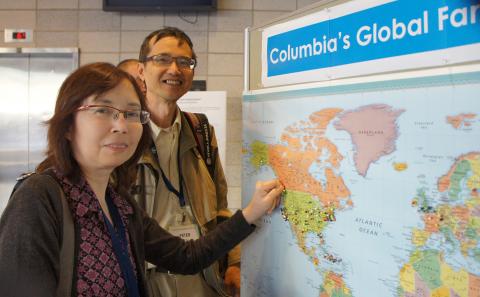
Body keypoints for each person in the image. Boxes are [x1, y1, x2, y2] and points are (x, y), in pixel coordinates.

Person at [0, 62, 284, 297]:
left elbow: (186, 257)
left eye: (132, 113)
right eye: (103, 110)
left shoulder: (118, 204)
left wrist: (250, 213)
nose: (122, 125)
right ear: (67, 126)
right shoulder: (39, 198)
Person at [134, 27, 240, 297]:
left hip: (201, 278)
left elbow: (221, 210)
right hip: (145, 281)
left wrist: (234, 263)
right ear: (141, 71)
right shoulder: (123, 136)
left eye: (185, 62)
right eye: (162, 59)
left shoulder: (200, 130)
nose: (175, 69)